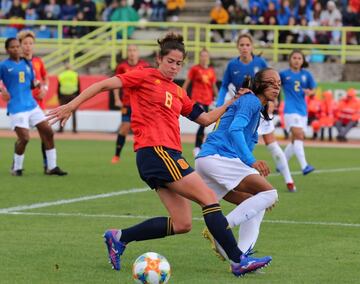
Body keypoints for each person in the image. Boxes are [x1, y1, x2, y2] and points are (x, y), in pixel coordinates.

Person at [47, 32, 271, 277]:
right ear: (159, 59)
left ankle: (119, 237)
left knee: (182, 223)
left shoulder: (177, 92)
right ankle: (239, 260)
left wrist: (231, 103)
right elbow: (103, 84)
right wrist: (71, 105)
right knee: (209, 198)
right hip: (157, 151)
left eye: (179, 63)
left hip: (164, 155)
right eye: (170, 61)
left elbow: (205, 119)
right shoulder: (143, 76)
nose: (174, 67)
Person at [196, 67, 279, 264]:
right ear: (259, 84)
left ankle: (239, 259)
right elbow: (235, 130)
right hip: (218, 157)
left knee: (254, 204)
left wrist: (252, 169)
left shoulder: (255, 107)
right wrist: (252, 162)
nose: (276, 86)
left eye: (278, 83)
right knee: (270, 194)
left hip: (209, 160)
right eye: (271, 81)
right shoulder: (250, 101)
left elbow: (242, 139)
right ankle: (219, 227)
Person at [216, 33, 296, 192]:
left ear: (252, 47)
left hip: (262, 109)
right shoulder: (232, 65)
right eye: (242, 45)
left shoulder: (260, 62)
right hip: (243, 109)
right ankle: (238, 176)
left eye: (247, 45)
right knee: (241, 140)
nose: (244, 48)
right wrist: (220, 104)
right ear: (237, 47)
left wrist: (273, 101)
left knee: (272, 144)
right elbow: (225, 85)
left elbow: (273, 81)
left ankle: (289, 180)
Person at [0, 38, 67, 176]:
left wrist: (39, 86)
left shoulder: (27, 63)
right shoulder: (4, 66)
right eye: (13, 47)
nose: (16, 49)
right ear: (7, 50)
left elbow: (31, 83)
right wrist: (2, 91)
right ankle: (16, 168)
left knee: (48, 132)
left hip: (32, 105)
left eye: (18, 46)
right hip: (16, 107)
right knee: (24, 138)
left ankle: (51, 167)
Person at [17, 30, 50, 172]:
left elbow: (45, 77)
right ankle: (16, 164)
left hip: (39, 103)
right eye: (25, 43)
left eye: (30, 43)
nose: (28, 46)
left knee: (45, 133)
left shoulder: (38, 61)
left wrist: (45, 89)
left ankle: (47, 164)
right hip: (24, 104)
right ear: (20, 45)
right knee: (23, 136)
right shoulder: (17, 63)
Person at [111, 45, 149, 164]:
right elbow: (115, 83)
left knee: (144, 130)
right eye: (130, 51)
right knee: (124, 128)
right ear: (127, 53)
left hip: (141, 104)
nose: (132, 53)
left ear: (138, 53)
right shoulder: (122, 66)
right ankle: (117, 155)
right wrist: (117, 98)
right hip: (127, 103)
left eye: (134, 50)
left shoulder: (145, 66)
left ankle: (146, 155)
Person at [280, 49, 316, 175]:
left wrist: (310, 92)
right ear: (290, 59)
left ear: (303, 61)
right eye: (294, 58)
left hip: (302, 110)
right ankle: (304, 166)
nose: (296, 60)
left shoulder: (307, 75)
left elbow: (313, 91)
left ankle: (281, 164)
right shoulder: (284, 74)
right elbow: (275, 85)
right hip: (290, 109)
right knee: (299, 135)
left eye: (299, 58)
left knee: (295, 139)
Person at [182, 48, 218, 157]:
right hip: (198, 100)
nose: (204, 58)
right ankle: (197, 147)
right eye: (202, 56)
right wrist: (181, 93)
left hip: (208, 100)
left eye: (206, 56)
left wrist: (219, 98)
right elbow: (187, 82)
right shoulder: (195, 69)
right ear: (199, 57)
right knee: (203, 124)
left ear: (208, 58)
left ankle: (201, 146)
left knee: (206, 124)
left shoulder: (211, 71)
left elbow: (213, 86)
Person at [57, 62, 79, 133]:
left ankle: (61, 129)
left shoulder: (61, 75)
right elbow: (78, 86)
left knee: (62, 112)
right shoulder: (75, 74)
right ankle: (74, 129)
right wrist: (78, 97)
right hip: (73, 95)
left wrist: (59, 97)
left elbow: (58, 86)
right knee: (74, 113)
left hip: (63, 95)